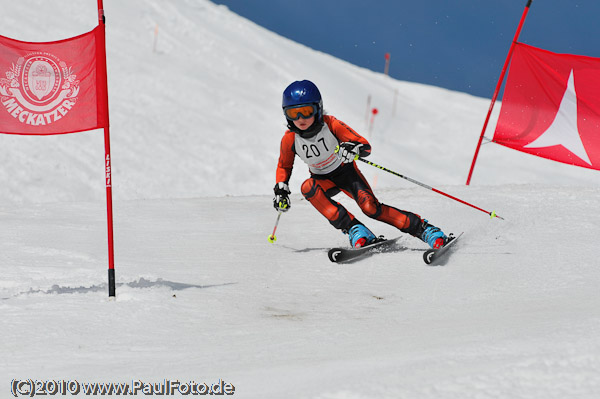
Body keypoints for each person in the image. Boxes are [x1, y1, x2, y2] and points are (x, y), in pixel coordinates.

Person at [273, 79, 448, 249]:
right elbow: (284, 166)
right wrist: (281, 188)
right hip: (322, 179)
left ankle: (425, 229)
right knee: (307, 187)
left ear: (318, 109)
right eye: (293, 113)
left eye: (306, 111)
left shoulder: (331, 124)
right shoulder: (290, 139)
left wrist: (352, 148)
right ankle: (355, 230)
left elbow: (364, 145)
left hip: (346, 174)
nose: (300, 118)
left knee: (371, 208)